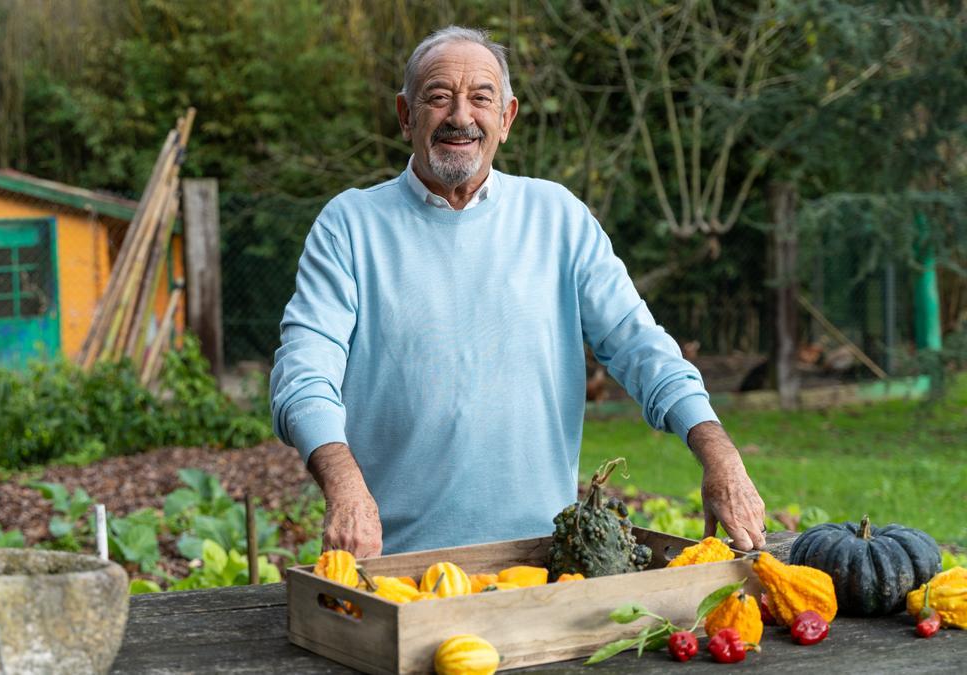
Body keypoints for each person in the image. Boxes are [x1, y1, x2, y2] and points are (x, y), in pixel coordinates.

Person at [269, 25, 767, 557]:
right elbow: (304, 375)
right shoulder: (349, 224)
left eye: (480, 99)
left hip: (541, 562)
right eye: (438, 97)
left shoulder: (559, 218)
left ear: (506, 119)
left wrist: (721, 455)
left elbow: (639, 346)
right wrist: (343, 485)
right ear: (405, 115)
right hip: (393, 564)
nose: (461, 117)